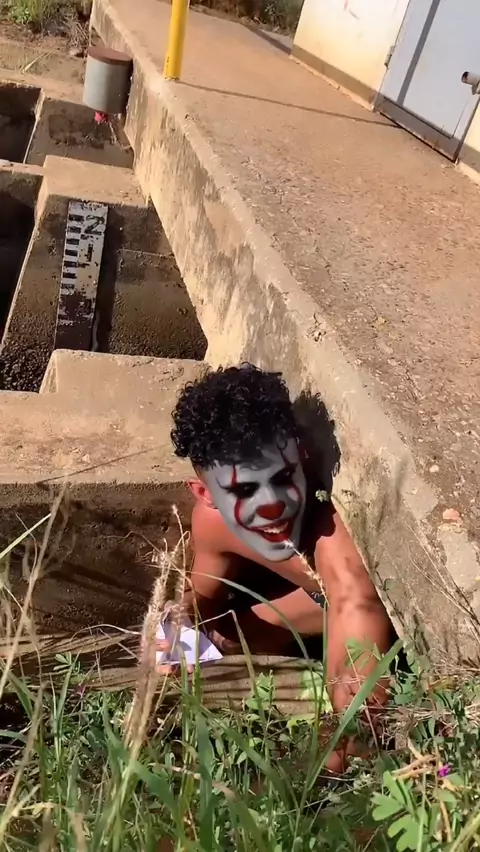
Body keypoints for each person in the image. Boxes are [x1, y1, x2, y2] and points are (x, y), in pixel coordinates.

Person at [161, 364, 393, 768]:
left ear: (303, 459)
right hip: (314, 601)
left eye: (283, 477)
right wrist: (174, 622)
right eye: (244, 489)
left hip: (346, 602)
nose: (271, 505)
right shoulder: (213, 524)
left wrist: (321, 769)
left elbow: (358, 712)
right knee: (222, 637)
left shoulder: (336, 548)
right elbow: (204, 598)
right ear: (205, 494)